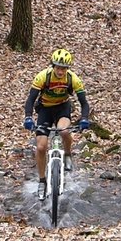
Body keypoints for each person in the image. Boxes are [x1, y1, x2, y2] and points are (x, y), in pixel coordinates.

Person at [23, 48, 90, 200]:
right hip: (45, 110)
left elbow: (84, 103)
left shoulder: (72, 79)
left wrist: (84, 118)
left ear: (68, 68)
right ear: (53, 66)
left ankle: (67, 154)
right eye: (58, 67)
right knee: (41, 146)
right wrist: (28, 117)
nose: (61, 71)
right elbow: (30, 100)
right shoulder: (43, 77)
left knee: (64, 131)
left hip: (62, 108)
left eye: (64, 68)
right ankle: (42, 181)